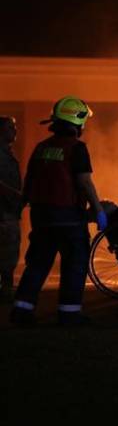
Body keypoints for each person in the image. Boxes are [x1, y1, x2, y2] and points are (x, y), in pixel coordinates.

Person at [10, 97, 106, 326]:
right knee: (75, 264)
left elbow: (30, 181)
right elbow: (84, 182)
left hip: (42, 217)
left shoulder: (42, 147)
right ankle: (69, 313)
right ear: (77, 120)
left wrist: (22, 205)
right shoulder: (77, 148)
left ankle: (21, 311)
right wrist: (99, 209)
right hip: (69, 217)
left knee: (38, 264)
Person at [0, 116, 21, 303]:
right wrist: (17, 195)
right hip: (3, 214)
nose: (15, 130)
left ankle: (6, 290)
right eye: (10, 127)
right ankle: (6, 293)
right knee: (7, 255)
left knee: (9, 255)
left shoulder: (8, 154)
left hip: (8, 213)